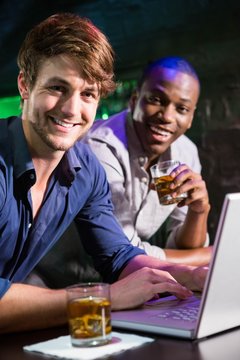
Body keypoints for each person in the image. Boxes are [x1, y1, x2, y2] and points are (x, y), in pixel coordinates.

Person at [0, 13, 208, 334]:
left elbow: (117, 254)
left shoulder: (85, 167)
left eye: (88, 94)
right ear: (25, 85)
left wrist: (189, 275)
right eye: (57, 87)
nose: (72, 110)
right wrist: (105, 297)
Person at [83, 56, 212, 266]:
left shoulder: (186, 152)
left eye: (182, 109)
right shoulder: (100, 146)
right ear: (134, 100)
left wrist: (199, 211)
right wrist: (206, 257)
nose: (167, 116)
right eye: (156, 100)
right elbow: (121, 249)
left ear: (190, 118)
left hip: (127, 281)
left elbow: (182, 247)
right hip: (66, 284)